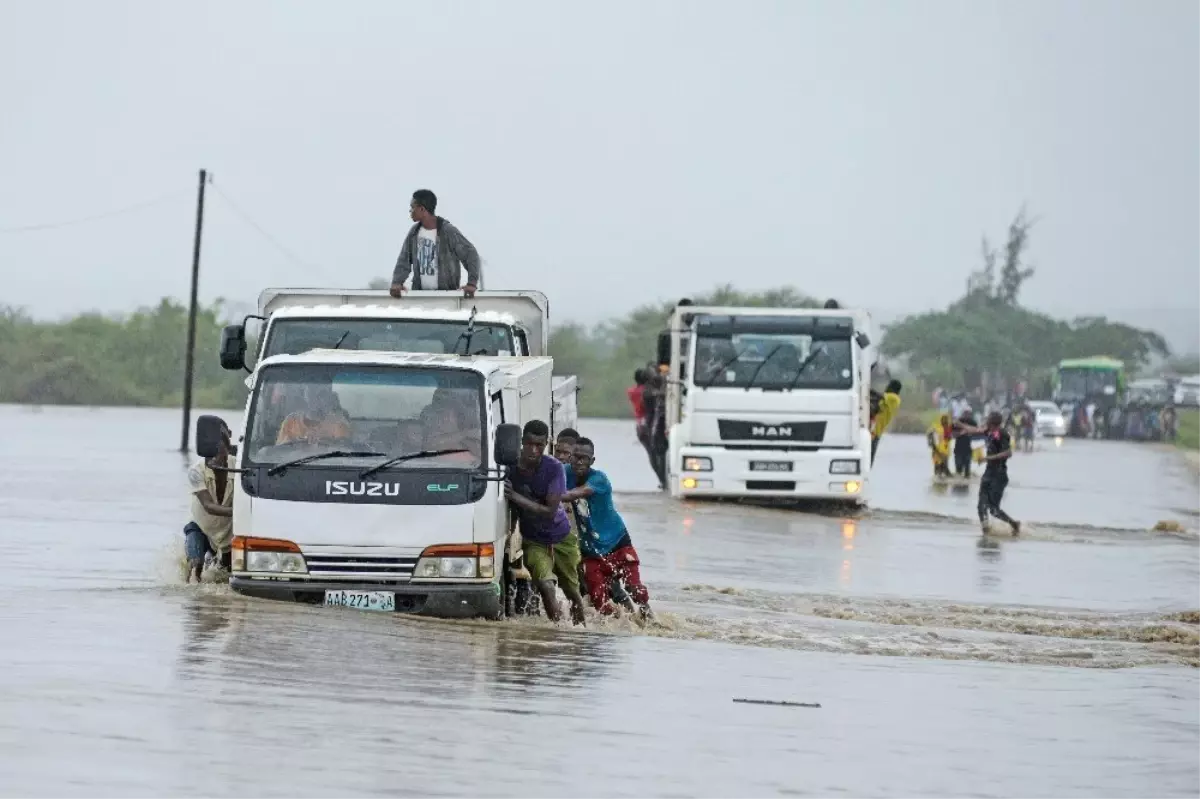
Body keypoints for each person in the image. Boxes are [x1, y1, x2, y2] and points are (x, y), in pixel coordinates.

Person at [504, 420, 587, 625]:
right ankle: (558, 632)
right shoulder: (510, 467)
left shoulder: (554, 468)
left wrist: (515, 495)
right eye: (529, 444)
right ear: (522, 442)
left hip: (562, 537)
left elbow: (550, 511)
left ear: (546, 444)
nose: (534, 450)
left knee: (572, 593)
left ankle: (581, 634)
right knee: (545, 585)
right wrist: (508, 537)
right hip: (533, 540)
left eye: (539, 445)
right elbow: (511, 509)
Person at [562, 437, 651, 618]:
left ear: (592, 461)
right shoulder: (564, 473)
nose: (579, 462)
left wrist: (549, 496)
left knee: (635, 589)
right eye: (576, 457)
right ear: (570, 458)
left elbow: (575, 493)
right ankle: (619, 628)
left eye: (584, 458)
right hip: (591, 549)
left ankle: (648, 618)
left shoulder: (599, 479)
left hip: (617, 542)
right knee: (598, 601)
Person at [388, 189, 481, 297]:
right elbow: (404, 260)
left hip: (447, 296)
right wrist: (397, 282)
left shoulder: (447, 231)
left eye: (413, 207)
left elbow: (470, 254)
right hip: (420, 296)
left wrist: (472, 283)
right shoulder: (414, 232)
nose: (410, 211)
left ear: (422, 209)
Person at [184, 421, 235, 582]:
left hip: (228, 533)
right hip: (201, 528)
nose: (213, 460)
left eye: (219, 452)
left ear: (226, 449)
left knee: (227, 576)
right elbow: (208, 506)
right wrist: (238, 512)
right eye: (210, 455)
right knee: (195, 564)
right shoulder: (196, 471)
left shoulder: (239, 467)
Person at [965, 411, 1021, 536]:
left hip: (999, 475)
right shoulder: (990, 432)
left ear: (992, 422)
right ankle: (986, 531)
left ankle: (1014, 524)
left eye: (988, 420)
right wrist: (959, 424)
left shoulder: (1002, 434)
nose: (986, 422)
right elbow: (976, 430)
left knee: (993, 509)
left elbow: (1008, 453)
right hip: (988, 473)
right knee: (981, 507)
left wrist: (987, 458)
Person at [276, 385, 352, 445]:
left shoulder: (338, 423)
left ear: (328, 398)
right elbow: (279, 453)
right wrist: (295, 442)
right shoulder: (290, 421)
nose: (314, 400)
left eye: (321, 394)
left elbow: (343, 454)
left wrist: (324, 442)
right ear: (304, 396)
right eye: (310, 394)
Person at [869, 379, 902, 465]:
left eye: (889, 385)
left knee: (869, 458)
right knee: (868, 457)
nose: (887, 387)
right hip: (873, 430)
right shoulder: (887, 399)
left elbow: (880, 396)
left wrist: (867, 389)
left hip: (876, 431)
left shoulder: (894, 398)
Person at [926, 413, 954, 478]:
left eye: (946, 419)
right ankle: (938, 483)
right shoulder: (936, 428)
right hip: (937, 451)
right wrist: (931, 444)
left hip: (945, 452)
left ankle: (943, 483)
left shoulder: (949, 429)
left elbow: (949, 439)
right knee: (937, 468)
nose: (945, 421)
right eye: (943, 419)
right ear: (940, 420)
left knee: (944, 469)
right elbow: (929, 434)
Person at [952, 410, 977, 478]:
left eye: (968, 414)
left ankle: (965, 483)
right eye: (965, 414)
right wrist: (961, 433)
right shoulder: (957, 422)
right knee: (958, 469)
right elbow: (952, 435)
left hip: (968, 450)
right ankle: (958, 485)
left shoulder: (972, 422)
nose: (967, 416)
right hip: (958, 450)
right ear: (962, 414)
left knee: (967, 472)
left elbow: (977, 431)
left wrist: (970, 432)